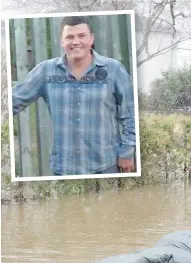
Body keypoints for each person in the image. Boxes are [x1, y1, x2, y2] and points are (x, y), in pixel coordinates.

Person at [12, 16, 136, 176]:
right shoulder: (45, 71)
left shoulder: (114, 69)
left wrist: (126, 152)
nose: (76, 41)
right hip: (64, 169)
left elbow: (130, 114)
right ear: (62, 42)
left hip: (106, 166)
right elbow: (11, 102)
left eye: (82, 35)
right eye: (69, 37)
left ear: (91, 38)